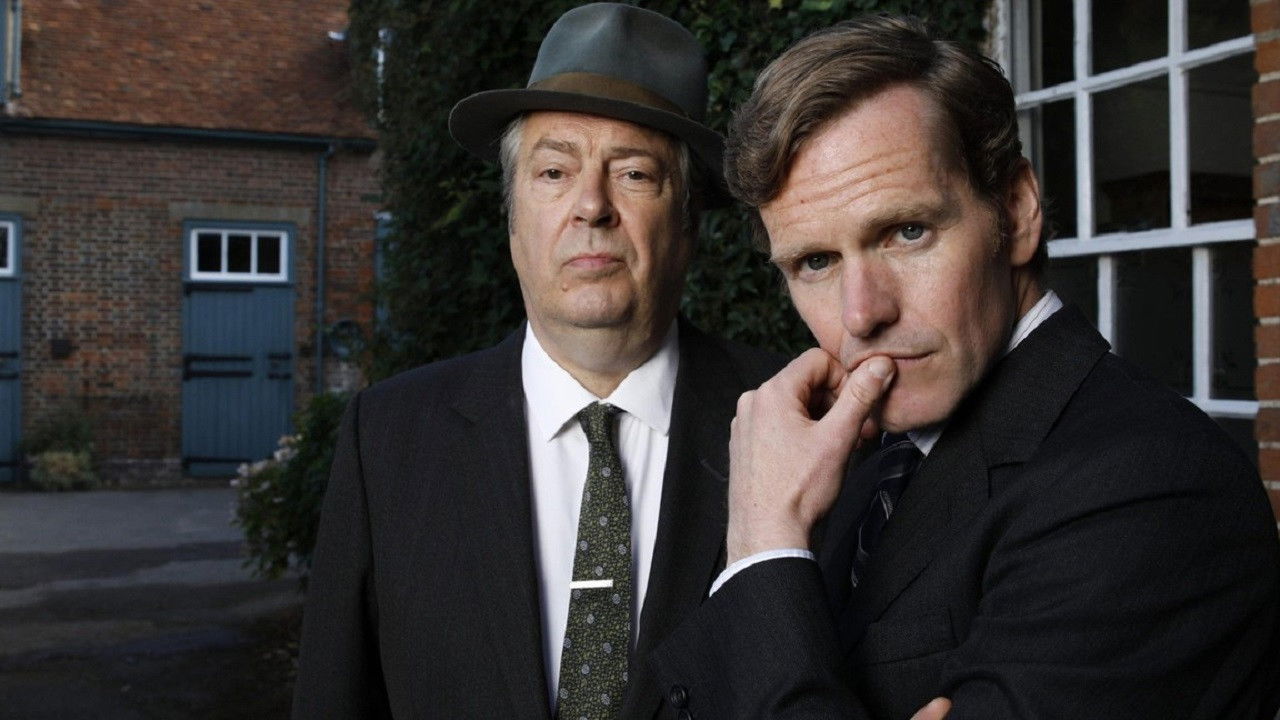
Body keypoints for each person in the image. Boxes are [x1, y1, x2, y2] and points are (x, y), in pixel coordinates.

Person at [649, 14, 1280, 720]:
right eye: (816, 262)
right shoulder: (863, 462)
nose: (861, 314)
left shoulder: (1151, 488)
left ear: (1018, 210)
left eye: (906, 232)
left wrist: (764, 543)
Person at [291, 4, 783, 719]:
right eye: (554, 171)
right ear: (512, 217)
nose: (591, 206)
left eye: (635, 173)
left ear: (688, 223)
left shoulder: (796, 420)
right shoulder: (388, 438)